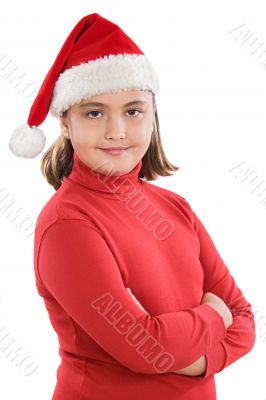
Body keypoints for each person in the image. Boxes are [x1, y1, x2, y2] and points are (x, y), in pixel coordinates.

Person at [9, 12, 256, 400]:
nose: (116, 130)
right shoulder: (68, 224)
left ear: (153, 116)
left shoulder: (177, 207)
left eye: (133, 110)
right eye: (94, 112)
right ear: (65, 124)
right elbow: (149, 348)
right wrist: (214, 317)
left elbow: (243, 317)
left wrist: (194, 357)